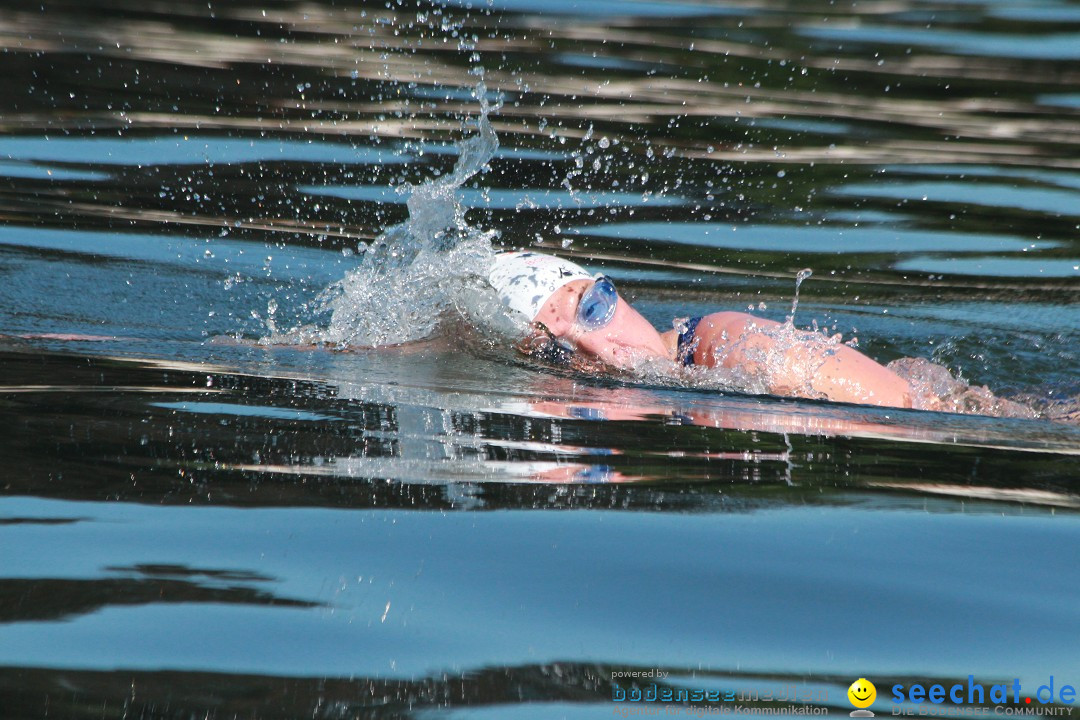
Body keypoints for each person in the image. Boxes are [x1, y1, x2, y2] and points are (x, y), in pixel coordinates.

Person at [487, 250, 913, 409]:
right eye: (558, 351)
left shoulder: (728, 348)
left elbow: (907, 407)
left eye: (594, 309)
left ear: (613, 290)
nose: (605, 351)